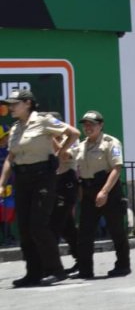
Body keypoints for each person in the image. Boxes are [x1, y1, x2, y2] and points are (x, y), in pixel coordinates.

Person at [0, 88, 80, 287]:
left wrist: (61, 151)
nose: (11, 107)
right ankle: (33, 273)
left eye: (15, 103)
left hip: (43, 178)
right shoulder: (16, 127)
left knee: (38, 226)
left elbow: (73, 133)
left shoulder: (43, 120)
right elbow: (11, 157)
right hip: (22, 179)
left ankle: (56, 270)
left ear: (27, 103)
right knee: (25, 228)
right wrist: (2, 182)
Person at [73, 110, 131, 278]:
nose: (88, 127)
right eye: (85, 124)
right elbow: (68, 157)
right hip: (88, 191)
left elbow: (116, 168)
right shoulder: (81, 145)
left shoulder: (111, 143)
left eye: (91, 124)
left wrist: (104, 191)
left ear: (100, 125)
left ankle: (123, 265)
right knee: (85, 233)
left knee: (116, 230)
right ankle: (85, 270)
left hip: (108, 189)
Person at [47, 111, 81, 273]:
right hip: (53, 183)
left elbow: (65, 156)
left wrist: (51, 138)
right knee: (67, 227)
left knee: (53, 226)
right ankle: (82, 258)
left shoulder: (71, 140)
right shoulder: (47, 140)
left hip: (67, 182)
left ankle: (51, 267)